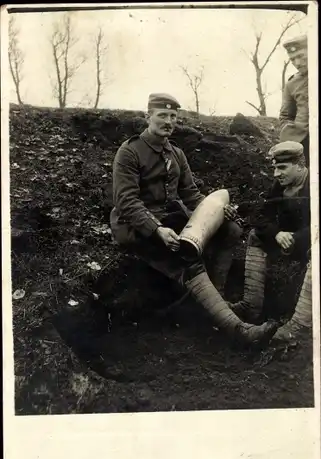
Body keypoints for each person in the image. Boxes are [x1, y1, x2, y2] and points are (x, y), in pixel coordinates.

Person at [110, 92, 278, 345]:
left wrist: (218, 211)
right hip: (136, 225)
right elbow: (127, 202)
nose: (168, 121)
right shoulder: (130, 152)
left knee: (230, 229)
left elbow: (190, 194)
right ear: (148, 117)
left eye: (173, 116)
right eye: (162, 115)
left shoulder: (176, 153)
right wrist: (157, 229)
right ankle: (237, 329)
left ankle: (218, 305)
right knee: (187, 253)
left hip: (171, 218)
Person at [230, 141, 312, 342]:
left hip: (309, 241)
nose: (276, 174)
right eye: (274, 168)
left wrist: (297, 238)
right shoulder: (280, 185)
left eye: (282, 167)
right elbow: (260, 215)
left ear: (301, 165)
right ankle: (251, 305)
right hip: (289, 242)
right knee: (255, 236)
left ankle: (301, 324)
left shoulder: (314, 183)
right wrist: (276, 233)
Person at [279, 35, 309, 167]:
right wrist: (293, 138)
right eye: (292, 59)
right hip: (304, 142)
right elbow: (285, 116)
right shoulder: (292, 84)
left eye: (302, 57)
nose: (297, 63)